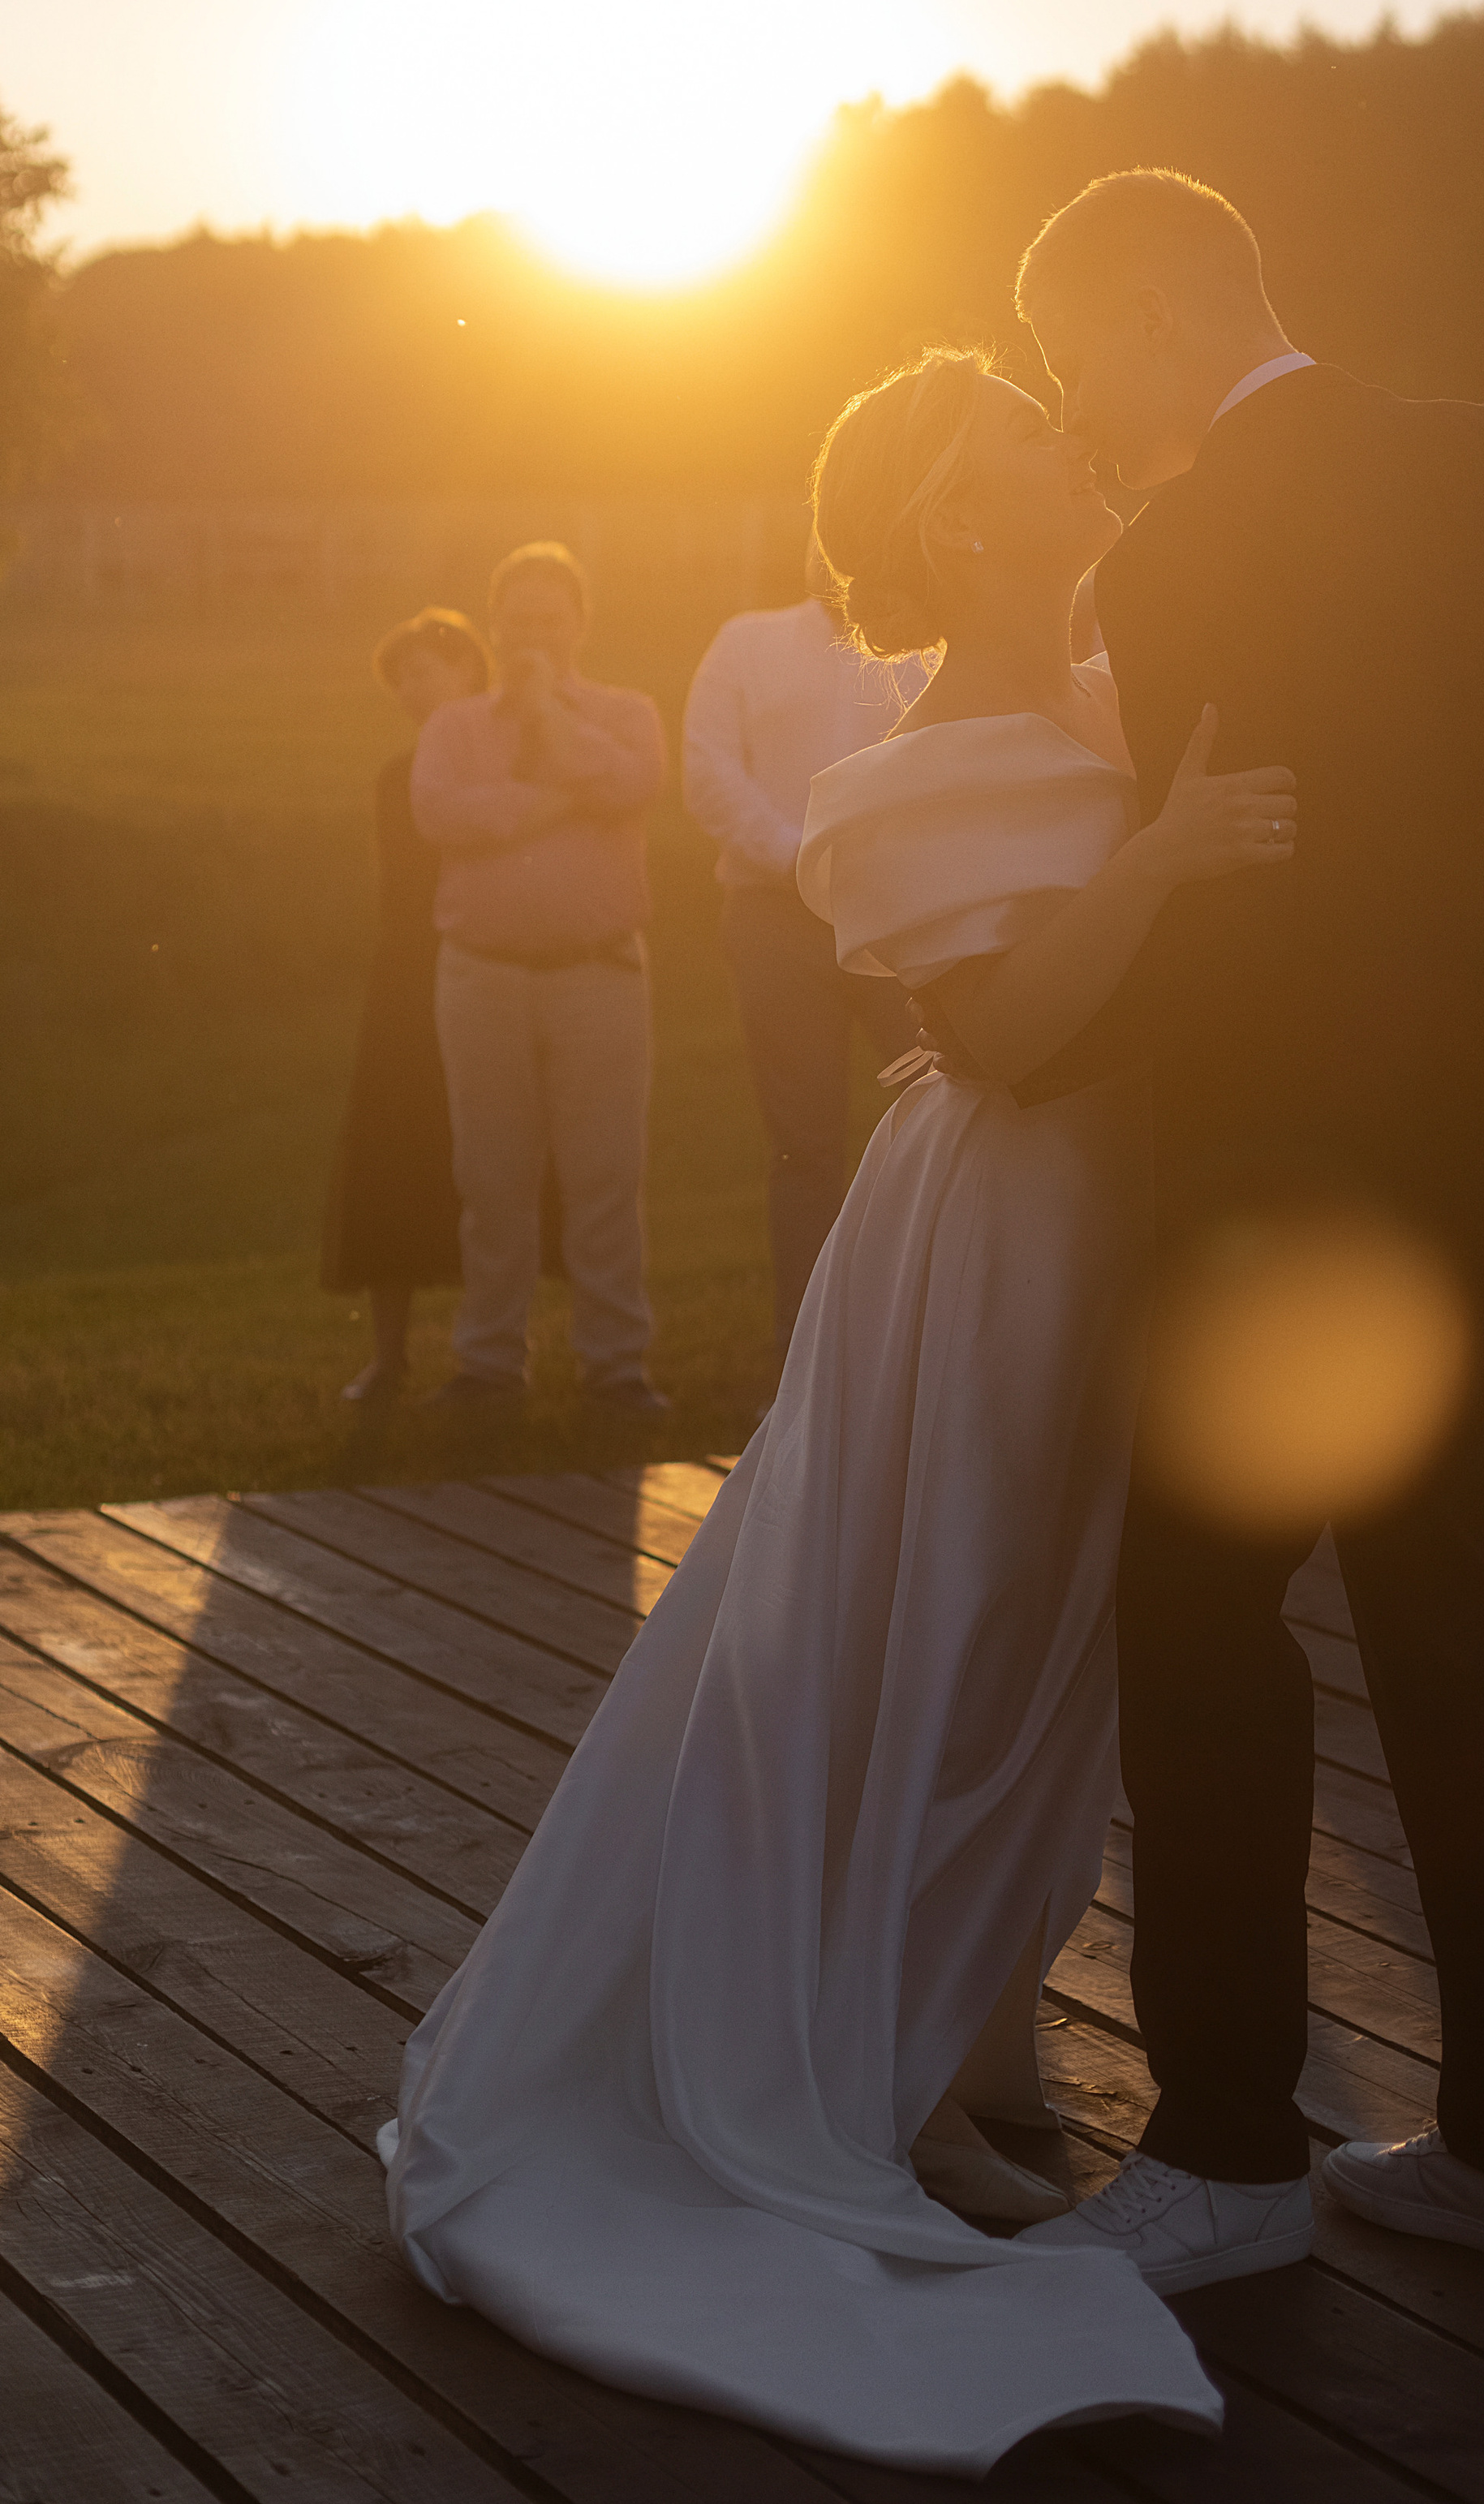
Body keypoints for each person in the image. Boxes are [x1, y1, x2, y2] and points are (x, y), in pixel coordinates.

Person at [381, 352, 1297, 2467]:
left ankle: (969, 2056)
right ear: (957, 521)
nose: (1076, 449)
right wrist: (1155, 865)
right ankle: (881, 2065)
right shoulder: (900, 777)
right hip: (997, 1239)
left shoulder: (1116, 686)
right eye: (1024, 447)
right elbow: (1004, 1027)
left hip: (1144, 1227)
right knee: (953, 1633)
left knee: (1055, 1645)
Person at [1011, 170, 1484, 2292]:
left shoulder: (1185, 551)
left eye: (1080, 356)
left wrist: (1012, 1042)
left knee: (1199, 1631)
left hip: (1277, 1205)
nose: (1083, 401)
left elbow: (1234, 886)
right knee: (1458, 1636)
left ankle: (1234, 2145)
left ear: (1157, 314)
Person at [411, 541, 669, 1413]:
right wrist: (558, 802)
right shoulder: (454, 727)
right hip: (483, 979)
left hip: (598, 977)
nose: (533, 635)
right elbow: (445, 817)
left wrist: (555, 720)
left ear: (581, 626)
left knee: (605, 1175)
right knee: (491, 1179)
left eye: (549, 621)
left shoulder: (627, 712)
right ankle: (489, 1362)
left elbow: (634, 779)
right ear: (494, 625)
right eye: (517, 621)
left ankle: (615, 1364)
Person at [682, 562, 922, 1362]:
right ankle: (804, 1352)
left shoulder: (928, 644)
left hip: (902, 915)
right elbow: (709, 771)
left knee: (943, 1121)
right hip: (777, 920)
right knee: (803, 1143)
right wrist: (800, 857)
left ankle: (922, 1334)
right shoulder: (746, 643)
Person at [323, 609, 488, 1401]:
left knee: (492, 1153)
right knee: (391, 1151)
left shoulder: (507, 755)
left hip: (493, 963)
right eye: (400, 680)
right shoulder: (398, 777)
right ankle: (389, 1356)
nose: (408, 691)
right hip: (408, 978)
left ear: (468, 670)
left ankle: (492, 1349)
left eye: (421, 670)